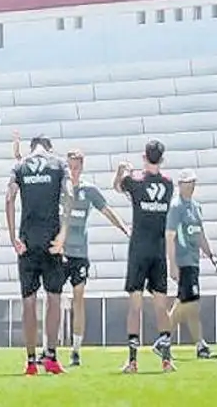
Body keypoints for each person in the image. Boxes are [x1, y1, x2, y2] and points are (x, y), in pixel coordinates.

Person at [5, 134, 73, 375]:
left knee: (29, 301)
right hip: (52, 240)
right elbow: (69, 194)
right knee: (54, 297)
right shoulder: (58, 164)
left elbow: (9, 198)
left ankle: (31, 361)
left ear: (31, 148)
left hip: (28, 240)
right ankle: (51, 355)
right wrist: (64, 232)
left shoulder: (20, 167)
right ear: (49, 147)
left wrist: (13, 235)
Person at [61, 149, 129, 367]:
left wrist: (125, 228)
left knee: (78, 298)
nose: (73, 171)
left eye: (76, 167)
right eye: (70, 167)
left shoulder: (89, 190)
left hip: (79, 253)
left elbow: (107, 210)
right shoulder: (59, 188)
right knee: (52, 298)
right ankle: (48, 349)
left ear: (82, 167)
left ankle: (76, 349)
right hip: (60, 251)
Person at [113, 140, 176, 374]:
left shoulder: (137, 183)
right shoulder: (169, 185)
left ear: (144, 157)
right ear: (161, 159)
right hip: (158, 250)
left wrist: (122, 171)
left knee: (135, 306)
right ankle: (166, 359)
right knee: (161, 306)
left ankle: (132, 361)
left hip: (139, 249)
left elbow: (118, 186)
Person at [166, 168, 217, 361]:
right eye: (188, 183)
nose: (191, 186)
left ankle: (199, 345)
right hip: (184, 261)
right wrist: (172, 265)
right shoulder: (176, 207)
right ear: (180, 185)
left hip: (194, 260)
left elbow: (199, 234)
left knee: (190, 304)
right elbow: (170, 236)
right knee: (186, 302)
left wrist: (210, 255)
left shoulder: (196, 206)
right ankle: (164, 339)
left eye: (193, 182)